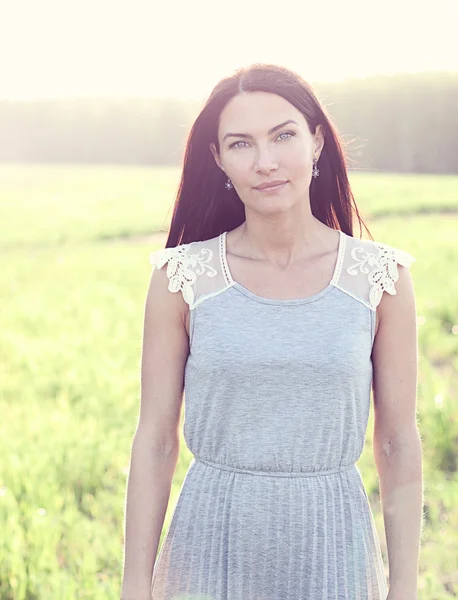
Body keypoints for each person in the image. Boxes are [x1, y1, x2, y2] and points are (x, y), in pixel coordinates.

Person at [121, 63, 423, 600]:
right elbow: (155, 442)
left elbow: (398, 443)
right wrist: (134, 584)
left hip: (333, 551)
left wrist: (404, 588)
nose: (265, 162)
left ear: (317, 141)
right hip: (207, 550)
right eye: (241, 144)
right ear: (219, 160)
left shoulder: (381, 280)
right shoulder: (182, 278)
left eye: (283, 135)